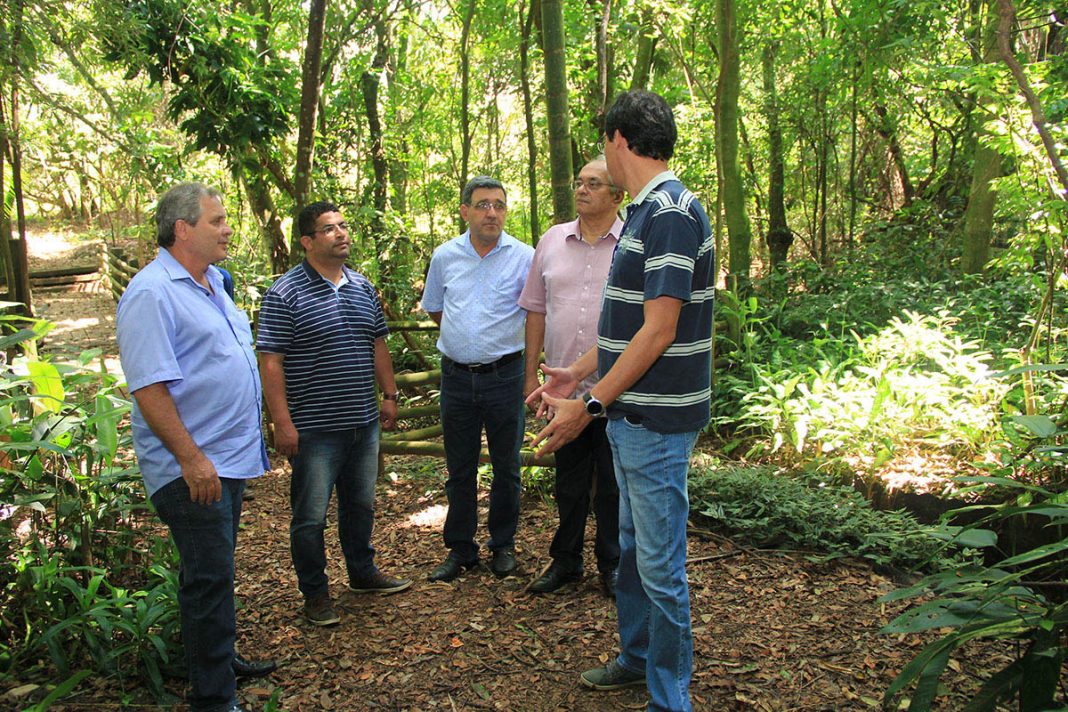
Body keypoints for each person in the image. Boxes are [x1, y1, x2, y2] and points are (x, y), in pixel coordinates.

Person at [528, 90, 715, 712]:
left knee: (660, 567)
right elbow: (629, 325)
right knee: (636, 554)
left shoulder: (669, 212)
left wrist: (592, 404)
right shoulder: (644, 211)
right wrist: (574, 375)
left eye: (600, 144)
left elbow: (661, 329)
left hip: (654, 418)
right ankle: (638, 660)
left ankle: (671, 697)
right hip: (633, 414)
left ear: (616, 140)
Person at [116, 182, 275, 712]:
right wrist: (191, 459)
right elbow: (149, 387)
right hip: (192, 467)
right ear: (183, 228)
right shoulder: (151, 293)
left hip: (223, 459)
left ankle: (219, 659)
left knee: (216, 570)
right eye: (217, 221)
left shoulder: (212, 283)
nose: (229, 229)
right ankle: (213, 698)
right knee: (209, 579)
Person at [257, 201, 412, 627]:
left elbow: (377, 344)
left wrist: (390, 395)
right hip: (314, 429)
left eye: (343, 226)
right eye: (330, 229)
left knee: (360, 505)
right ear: (307, 241)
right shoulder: (284, 293)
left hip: (362, 421)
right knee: (310, 516)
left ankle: (362, 573)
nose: (342, 233)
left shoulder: (362, 287)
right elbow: (271, 360)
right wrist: (282, 423)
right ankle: (316, 593)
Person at [519, 157, 624, 598]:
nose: (581, 190)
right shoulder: (551, 240)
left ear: (618, 195)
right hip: (562, 390)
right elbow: (536, 311)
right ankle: (566, 561)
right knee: (568, 482)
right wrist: (530, 377)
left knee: (614, 486)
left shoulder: (631, 244)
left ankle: (613, 567)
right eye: (578, 182)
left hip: (619, 389)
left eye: (594, 183)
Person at [421, 176, 534, 582]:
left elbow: (537, 313)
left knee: (507, 467)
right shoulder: (445, 256)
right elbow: (436, 308)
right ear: (465, 211)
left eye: (499, 205)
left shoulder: (525, 256)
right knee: (459, 468)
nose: (492, 212)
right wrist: (464, 339)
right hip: (456, 379)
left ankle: (502, 545)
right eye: (483, 204)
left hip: (506, 375)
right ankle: (461, 549)